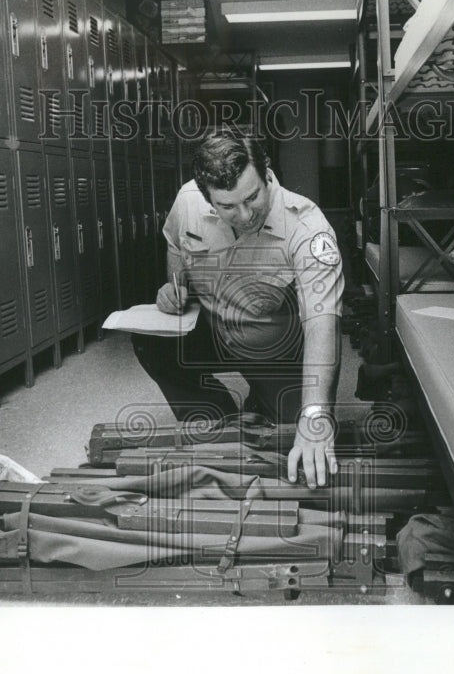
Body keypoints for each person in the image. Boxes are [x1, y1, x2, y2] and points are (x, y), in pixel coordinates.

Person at [131, 130, 343, 488]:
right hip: (214, 328)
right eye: (228, 206)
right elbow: (175, 246)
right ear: (206, 197)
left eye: (253, 197)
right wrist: (175, 287)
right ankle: (221, 420)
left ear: (267, 174)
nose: (244, 215)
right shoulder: (187, 203)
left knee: (297, 444)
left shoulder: (307, 228)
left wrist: (314, 414)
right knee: (152, 340)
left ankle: (263, 399)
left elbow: (323, 323)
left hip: (275, 347)